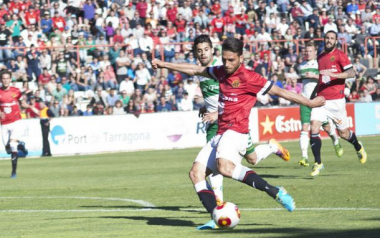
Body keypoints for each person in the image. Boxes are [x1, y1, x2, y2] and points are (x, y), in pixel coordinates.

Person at [152, 37, 325, 230]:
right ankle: (216, 217)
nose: (226, 64)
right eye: (224, 59)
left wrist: (309, 103)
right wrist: (164, 64)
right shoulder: (220, 72)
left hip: (238, 132)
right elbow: (194, 69)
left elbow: (279, 91)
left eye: (231, 60)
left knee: (224, 167)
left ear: (240, 58)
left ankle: (274, 191)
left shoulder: (250, 78)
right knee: (196, 173)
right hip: (221, 133)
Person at [193, 35, 293, 230]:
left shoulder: (221, 68)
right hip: (218, 124)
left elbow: (234, 95)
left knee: (224, 166)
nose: (202, 53)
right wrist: (208, 107)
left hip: (233, 124)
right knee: (247, 160)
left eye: (206, 49)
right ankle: (217, 214)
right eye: (199, 50)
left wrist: (216, 112)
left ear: (213, 51)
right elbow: (220, 94)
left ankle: (222, 209)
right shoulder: (205, 72)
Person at [309, 31, 368, 177]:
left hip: (336, 102)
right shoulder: (320, 56)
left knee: (343, 133)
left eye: (332, 38)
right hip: (321, 99)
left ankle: (358, 146)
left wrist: (336, 75)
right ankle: (318, 163)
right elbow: (322, 79)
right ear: (324, 39)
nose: (329, 40)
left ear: (336, 41)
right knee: (314, 126)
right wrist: (313, 96)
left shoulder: (340, 55)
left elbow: (352, 73)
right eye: (327, 38)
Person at [298, 42, 343, 167]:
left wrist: (315, 75)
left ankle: (335, 140)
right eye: (306, 51)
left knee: (327, 128)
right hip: (305, 100)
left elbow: (326, 78)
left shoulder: (319, 64)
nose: (307, 53)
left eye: (310, 51)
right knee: (305, 128)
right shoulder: (301, 65)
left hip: (318, 101)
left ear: (315, 52)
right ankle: (304, 157)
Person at [0, 70, 31, 178]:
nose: (5, 80)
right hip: (4, 123)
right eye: (3, 78)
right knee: (8, 150)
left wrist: (27, 106)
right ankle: (21, 144)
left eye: (7, 78)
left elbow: (22, 102)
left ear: (10, 79)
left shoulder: (16, 91)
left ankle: (14, 172)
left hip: (16, 121)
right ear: (1, 79)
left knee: (13, 145)